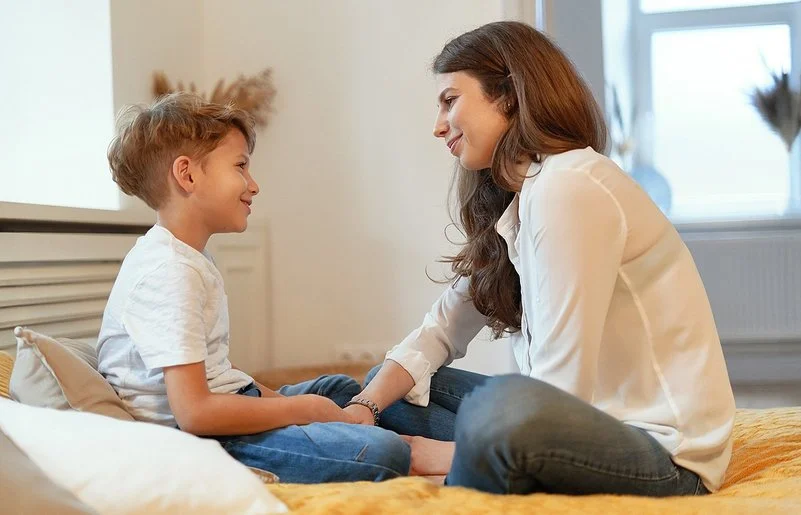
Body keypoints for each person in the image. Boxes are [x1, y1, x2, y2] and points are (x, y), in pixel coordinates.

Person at [343, 21, 735, 496]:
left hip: (664, 457)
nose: (438, 125)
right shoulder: (524, 199)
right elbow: (442, 329)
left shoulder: (570, 184)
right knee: (395, 392)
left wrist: (441, 452)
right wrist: (362, 408)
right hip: (578, 429)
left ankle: (449, 466)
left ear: (508, 95)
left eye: (450, 100)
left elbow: (558, 390)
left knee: (504, 404)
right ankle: (363, 431)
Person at [97, 92, 410, 484]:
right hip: (203, 440)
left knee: (340, 387)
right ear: (187, 175)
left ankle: (350, 428)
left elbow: (217, 373)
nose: (254, 184)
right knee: (383, 452)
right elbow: (194, 414)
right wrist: (302, 410)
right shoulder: (168, 273)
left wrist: (292, 402)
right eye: (241, 166)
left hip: (226, 407)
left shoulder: (189, 258)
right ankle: (406, 447)